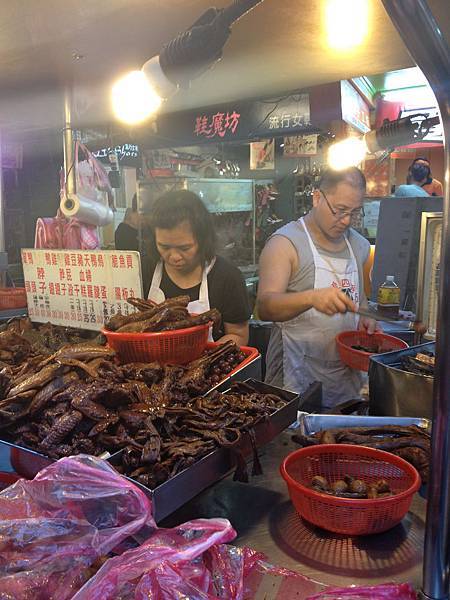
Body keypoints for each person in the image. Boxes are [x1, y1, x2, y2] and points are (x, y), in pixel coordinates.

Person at [257, 167, 378, 409]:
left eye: (354, 212)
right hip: (294, 377)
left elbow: (360, 300)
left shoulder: (359, 245)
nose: (346, 221)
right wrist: (311, 298)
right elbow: (265, 307)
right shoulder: (285, 244)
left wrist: (366, 319)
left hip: (345, 377)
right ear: (317, 197)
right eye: (340, 210)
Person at [143, 190, 250, 346]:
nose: (174, 256)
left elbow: (238, 335)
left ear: (203, 239)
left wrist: (199, 360)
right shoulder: (144, 269)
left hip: (206, 366)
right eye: (164, 246)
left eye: (184, 248)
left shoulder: (227, 277)